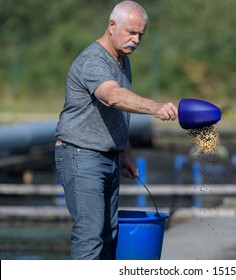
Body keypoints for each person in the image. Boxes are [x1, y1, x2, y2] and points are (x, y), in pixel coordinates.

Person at [54, 0, 178, 260]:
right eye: (131, 32)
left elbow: (117, 113)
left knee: (109, 234)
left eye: (140, 35)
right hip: (81, 155)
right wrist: (154, 107)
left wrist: (125, 152)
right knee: (89, 235)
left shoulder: (122, 60)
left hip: (109, 156)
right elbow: (112, 96)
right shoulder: (93, 60)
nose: (136, 40)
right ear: (112, 26)